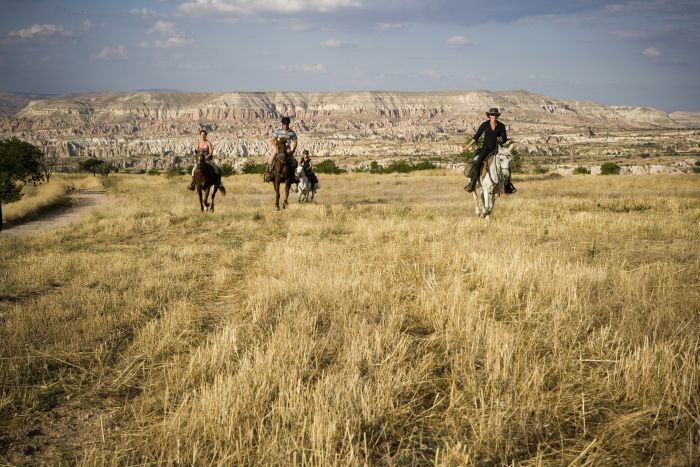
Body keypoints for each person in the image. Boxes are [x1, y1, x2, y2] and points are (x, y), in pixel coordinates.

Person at [463, 107, 516, 194]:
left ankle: (507, 185)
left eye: (495, 115)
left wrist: (501, 140)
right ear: (489, 116)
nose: (494, 116)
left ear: (497, 116)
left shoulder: (501, 126)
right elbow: (476, 137)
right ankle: (472, 184)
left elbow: (505, 138)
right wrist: (468, 146)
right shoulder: (484, 125)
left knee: (506, 164)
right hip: (485, 149)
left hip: (497, 149)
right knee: (478, 163)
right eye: (492, 115)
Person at [265, 116, 299, 184]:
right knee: (270, 159)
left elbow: (295, 142)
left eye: (287, 124)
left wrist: (293, 150)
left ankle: (293, 176)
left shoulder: (291, 132)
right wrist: (275, 147)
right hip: (278, 147)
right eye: (284, 124)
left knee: (293, 161)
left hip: (287, 148)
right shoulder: (277, 131)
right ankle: (269, 174)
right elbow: (273, 140)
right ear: (282, 124)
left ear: (289, 124)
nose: (285, 125)